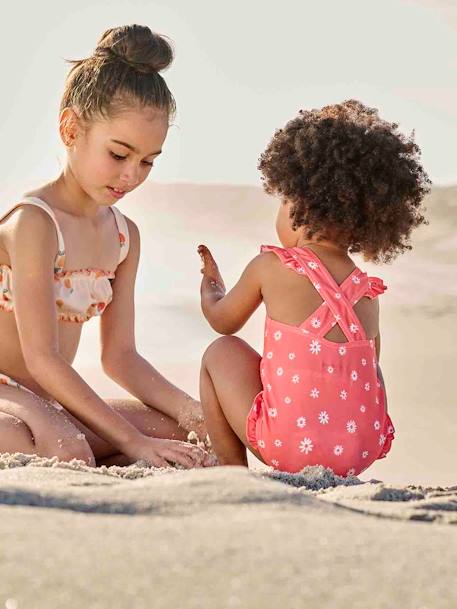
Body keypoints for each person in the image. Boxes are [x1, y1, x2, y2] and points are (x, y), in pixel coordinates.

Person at [0, 24, 212, 469]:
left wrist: (196, 413)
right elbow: (41, 358)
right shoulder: (33, 223)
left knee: (188, 435)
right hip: (9, 394)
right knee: (65, 447)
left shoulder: (123, 237)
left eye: (148, 161)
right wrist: (132, 442)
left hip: (51, 402)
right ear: (71, 129)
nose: (131, 175)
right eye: (119, 154)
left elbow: (121, 357)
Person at [198, 99, 431, 476]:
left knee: (220, 352)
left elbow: (222, 321)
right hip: (358, 446)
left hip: (288, 443)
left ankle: (229, 471)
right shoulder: (368, 292)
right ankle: (337, 452)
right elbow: (370, 371)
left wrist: (212, 286)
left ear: (301, 205)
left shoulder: (271, 266)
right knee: (363, 362)